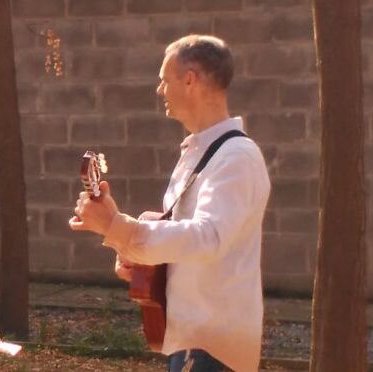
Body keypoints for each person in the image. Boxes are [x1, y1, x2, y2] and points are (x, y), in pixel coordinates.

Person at [69, 34, 270, 372]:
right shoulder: (200, 153)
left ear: (190, 79)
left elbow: (208, 238)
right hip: (191, 338)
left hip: (213, 346)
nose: (159, 90)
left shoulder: (237, 157)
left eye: (164, 79)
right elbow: (185, 239)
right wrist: (132, 251)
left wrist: (118, 228)